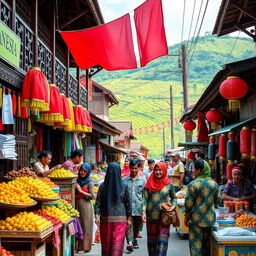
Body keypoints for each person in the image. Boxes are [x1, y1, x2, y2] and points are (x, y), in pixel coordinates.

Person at [185, 159, 221, 256]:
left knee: (195, 246)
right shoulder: (214, 184)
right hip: (209, 220)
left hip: (196, 220)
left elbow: (188, 205)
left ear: (199, 170)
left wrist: (186, 217)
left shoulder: (193, 184)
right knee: (206, 247)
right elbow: (218, 200)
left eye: (194, 169)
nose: (192, 171)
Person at [95, 162, 132, 256]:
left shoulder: (103, 186)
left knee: (107, 247)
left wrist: (97, 215)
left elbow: (98, 202)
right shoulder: (123, 186)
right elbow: (128, 203)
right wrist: (128, 217)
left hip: (106, 220)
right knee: (116, 247)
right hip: (119, 220)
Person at [142, 162, 177, 256]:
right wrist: (143, 212)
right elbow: (144, 199)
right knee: (152, 245)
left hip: (164, 218)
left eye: (160, 170)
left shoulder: (169, 184)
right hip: (151, 218)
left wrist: (173, 206)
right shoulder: (148, 183)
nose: (158, 172)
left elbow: (174, 198)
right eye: (156, 170)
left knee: (162, 244)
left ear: (164, 170)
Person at [123, 159, 146, 251]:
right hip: (127, 208)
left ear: (139, 168)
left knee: (137, 227)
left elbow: (145, 196)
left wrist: (144, 211)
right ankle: (130, 242)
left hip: (138, 208)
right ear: (129, 168)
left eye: (136, 168)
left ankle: (134, 239)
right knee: (128, 225)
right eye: (132, 168)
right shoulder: (124, 181)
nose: (134, 170)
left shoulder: (143, 181)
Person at [75, 163, 94, 254]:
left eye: (85, 171)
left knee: (85, 226)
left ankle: (85, 247)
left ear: (88, 172)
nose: (82, 173)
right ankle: (77, 246)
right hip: (77, 205)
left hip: (86, 206)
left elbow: (92, 196)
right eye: (81, 171)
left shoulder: (89, 182)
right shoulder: (77, 180)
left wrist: (80, 191)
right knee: (77, 225)